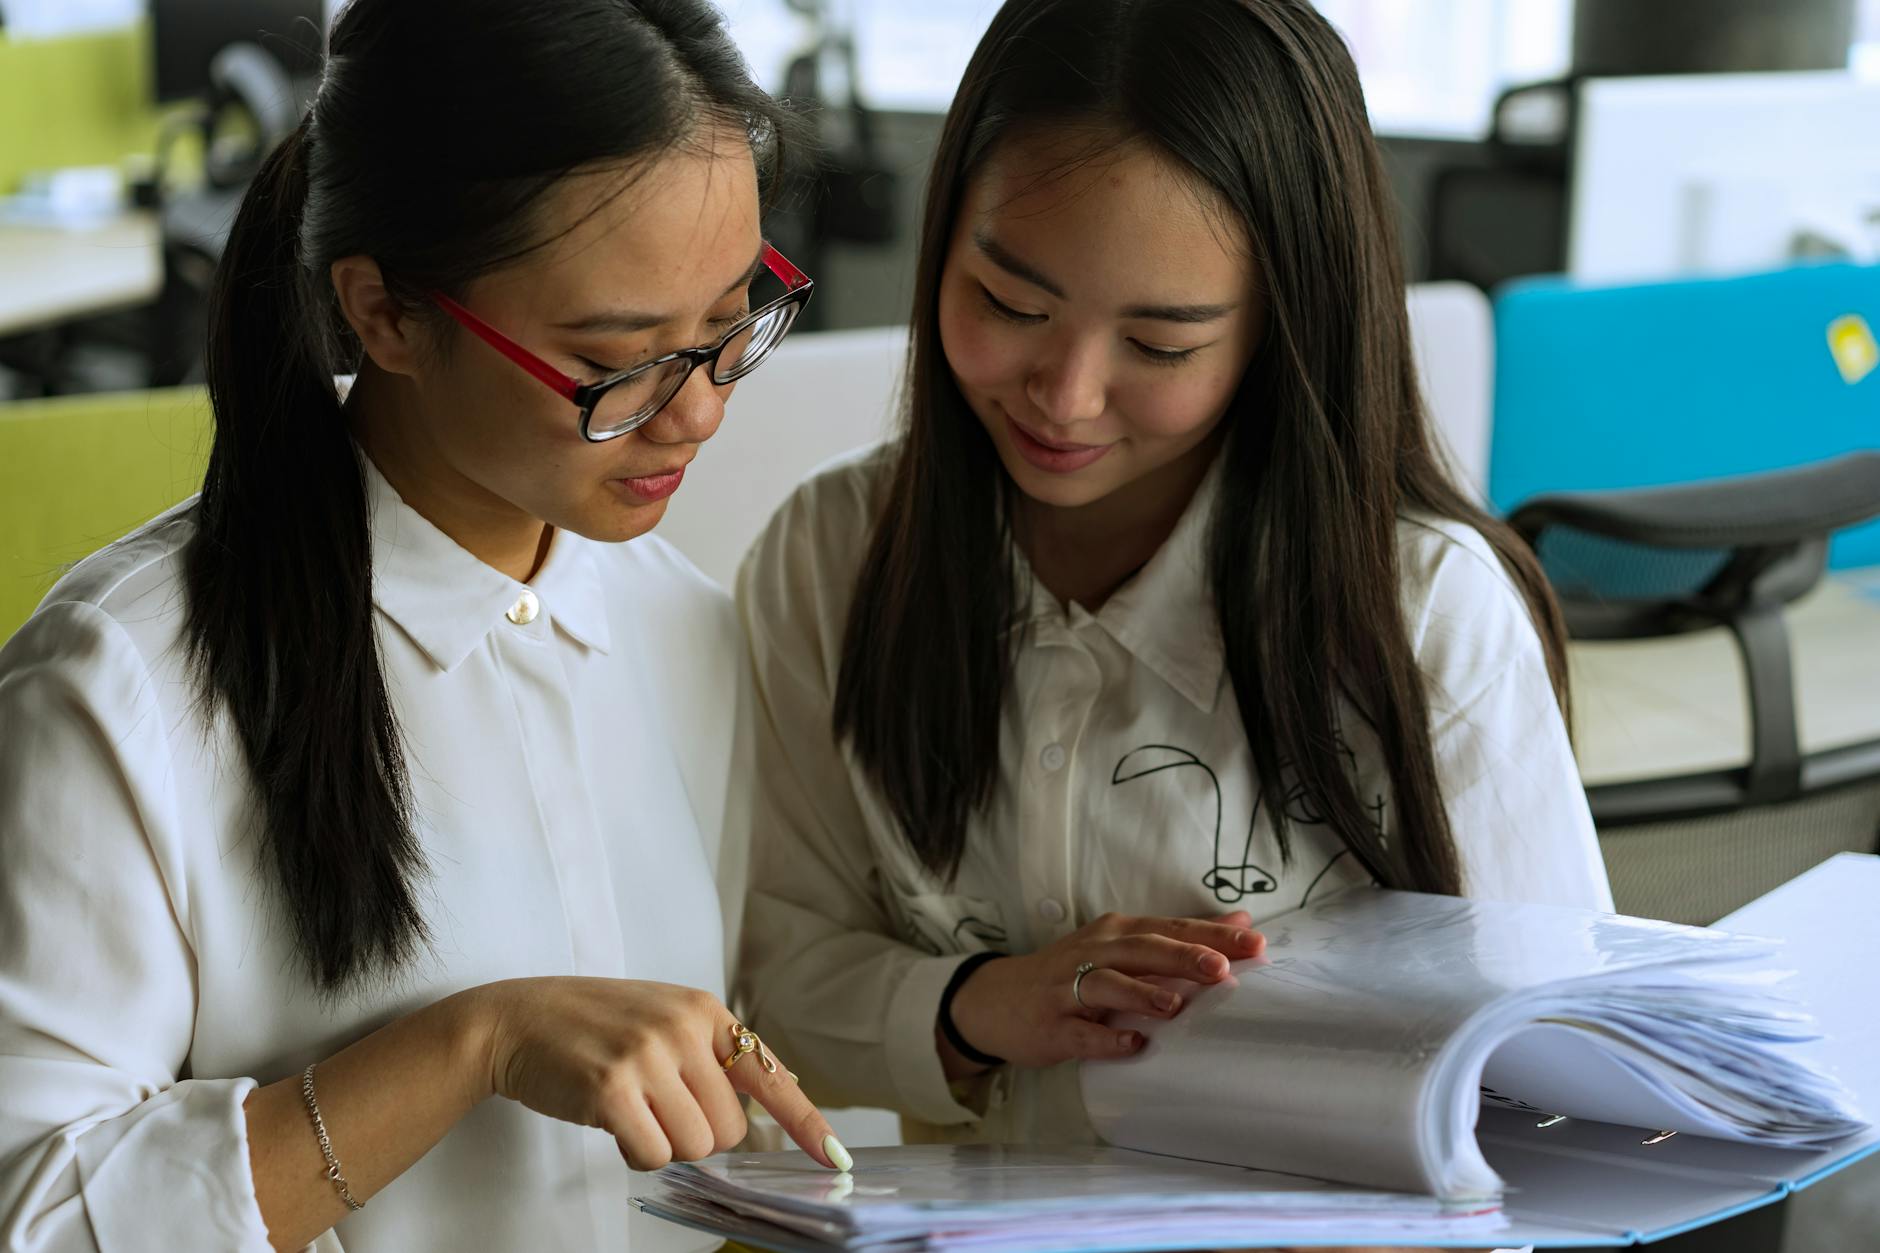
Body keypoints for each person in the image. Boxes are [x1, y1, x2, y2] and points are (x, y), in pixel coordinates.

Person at [0, 2, 844, 1250]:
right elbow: (31, 1208)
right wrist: (472, 1044)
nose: (697, 415)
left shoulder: (687, 627)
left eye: (729, 325)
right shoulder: (123, 687)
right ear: (387, 313)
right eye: (618, 362)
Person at [736, 0, 1612, 1151]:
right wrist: (984, 999)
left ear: (1278, 330)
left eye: (1159, 345)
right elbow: (781, 980)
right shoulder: (830, 553)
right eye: (1008, 302)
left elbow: (1566, 1066)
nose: (1065, 394)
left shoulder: (1423, 610)